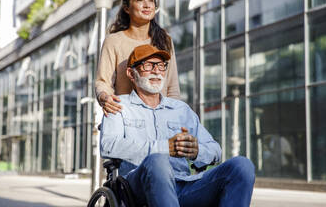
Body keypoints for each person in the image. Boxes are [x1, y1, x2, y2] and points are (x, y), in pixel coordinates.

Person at [100, 44, 255, 207]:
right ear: (131, 73)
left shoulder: (181, 109)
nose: (156, 71)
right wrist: (165, 148)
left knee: (242, 166)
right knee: (157, 160)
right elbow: (108, 145)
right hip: (138, 189)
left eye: (161, 66)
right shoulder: (118, 105)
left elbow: (216, 150)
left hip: (185, 186)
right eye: (148, 65)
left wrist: (197, 152)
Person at [95, 0, 180, 117]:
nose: (147, 5)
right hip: (127, 117)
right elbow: (103, 82)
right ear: (127, 8)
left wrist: (174, 116)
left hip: (161, 117)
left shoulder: (165, 39)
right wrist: (105, 98)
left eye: (151, 1)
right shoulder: (113, 41)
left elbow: (172, 86)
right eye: (140, 0)